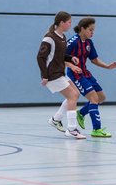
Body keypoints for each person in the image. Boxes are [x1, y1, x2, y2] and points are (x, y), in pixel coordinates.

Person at [67, 17, 116, 137]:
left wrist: (107, 66)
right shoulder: (73, 42)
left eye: (93, 30)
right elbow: (61, 58)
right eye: (90, 30)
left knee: (101, 97)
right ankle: (96, 129)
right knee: (94, 99)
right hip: (75, 75)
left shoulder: (89, 43)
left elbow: (94, 59)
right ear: (82, 29)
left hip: (85, 73)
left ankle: (81, 113)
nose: (92, 32)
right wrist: (72, 66)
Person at [37, 11, 86, 139]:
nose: (71, 25)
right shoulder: (49, 38)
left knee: (76, 94)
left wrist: (71, 58)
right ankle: (71, 128)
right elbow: (40, 57)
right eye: (69, 22)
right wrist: (44, 76)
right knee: (72, 96)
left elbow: (59, 55)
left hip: (60, 72)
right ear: (61, 23)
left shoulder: (63, 37)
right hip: (52, 74)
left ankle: (56, 119)